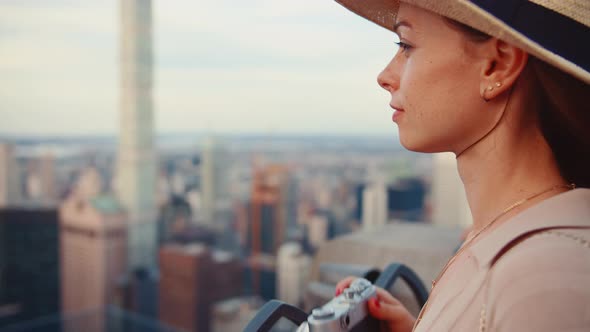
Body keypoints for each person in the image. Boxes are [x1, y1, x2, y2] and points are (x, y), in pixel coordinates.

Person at [332, 1, 590, 331]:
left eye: (406, 45)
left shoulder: (545, 280)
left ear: (497, 65)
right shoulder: (508, 239)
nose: (385, 76)